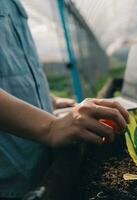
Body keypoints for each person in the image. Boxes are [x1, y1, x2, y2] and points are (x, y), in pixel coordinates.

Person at [0, 0, 129, 198]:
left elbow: (15, 68)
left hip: (38, 160)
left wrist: (50, 100)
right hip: (9, 178)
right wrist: (51, 127)